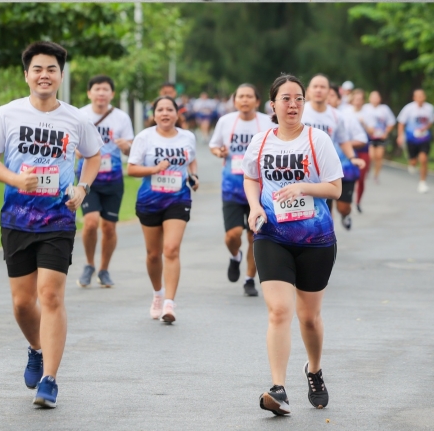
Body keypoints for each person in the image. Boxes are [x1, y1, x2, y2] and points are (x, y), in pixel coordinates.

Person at [0, 42, 102, 408]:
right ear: (26, 75)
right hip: (17, 219)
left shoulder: (76, 118)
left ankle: (49, 379)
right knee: (22, 303)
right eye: (38, 69)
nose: (44, 75)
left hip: (58, 218)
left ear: (61, 76)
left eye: (51, 69)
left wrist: (82, 187)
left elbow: (94, 156)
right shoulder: (8, 113)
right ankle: (36, 347)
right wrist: (16, 179)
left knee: (50, 295)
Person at [242, 74, 344, 416]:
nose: (293, 104)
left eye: (298, 98)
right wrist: (255, 206)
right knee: (279, 311)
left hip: (316, 239)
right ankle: (278, 389)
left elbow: (334, 188)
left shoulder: (317, 140)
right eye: (285, 99)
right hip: (272, 235)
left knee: (309, 318)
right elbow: (251, 177)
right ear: (272, 104)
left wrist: (304, 187)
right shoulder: (260, 142)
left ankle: (313, 370)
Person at [127, 97, 198, 324]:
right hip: (150, 200)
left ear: (177, 114)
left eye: (169, 109)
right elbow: (131, 169)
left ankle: (169, 302)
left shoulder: (187, 137)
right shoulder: (144, 137)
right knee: (153, 254)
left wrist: (194, 176)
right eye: (160, 110)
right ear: (154, 114)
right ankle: (158, 293)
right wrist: (155, 169)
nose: (165, 113)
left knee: (171, 249)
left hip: (178, 198)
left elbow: (191, 161)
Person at [209, 84, 270, 297]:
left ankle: (249, 279)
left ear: (257, 101)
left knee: (255, 236)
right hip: (232, 187)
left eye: (249, 96)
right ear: (234, 101)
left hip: (260, 189)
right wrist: (219, 152)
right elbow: (214, 145)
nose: (244, 100)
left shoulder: (267, 122)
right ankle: (235, 256)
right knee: (232, 235)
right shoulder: (225, 121)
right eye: (240, 96)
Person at [77, 75, 133, 288]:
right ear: (89, 93)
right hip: (87, 179)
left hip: (113, 179)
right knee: (91, 223)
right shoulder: (80, 115)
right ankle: (89, 264)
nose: (101, 93)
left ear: (112, 94)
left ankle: (104, 269)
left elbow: (130, 149)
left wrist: (126, 147)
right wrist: (76, 151)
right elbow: (70, 144)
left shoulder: (121, 118)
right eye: (97, 89)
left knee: (109, 227)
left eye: (105, 89)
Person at [302, 75, 366, 228]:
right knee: (322, 212)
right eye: (315, 86)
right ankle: (323, 237)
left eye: (322, 87)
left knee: (342, 207)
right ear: (308, 91)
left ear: (328, 91)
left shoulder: (336, 116)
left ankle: (344, 215)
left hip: (330, 168)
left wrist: (352, 157)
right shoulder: (300, 111)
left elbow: (343, 140)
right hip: (306, 168)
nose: (318, 90)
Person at [325, 84, 367, 228]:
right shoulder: (309, 117)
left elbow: (362, 139)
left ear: (339, 100)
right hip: (321, 172)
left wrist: (343, 143)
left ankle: (345, 215)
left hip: (345, 169)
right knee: (325, 211)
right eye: (326, 95)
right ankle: (327, 236)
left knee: (343, 207)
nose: (328, 98)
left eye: (332, 96)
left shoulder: (347, 118)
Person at [396, 89, 434, 193]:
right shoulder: (408, 108)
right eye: (418, 96)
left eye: (422, 96)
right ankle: (412, 163)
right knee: (413, 161)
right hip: (411, 139)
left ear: (425, 97)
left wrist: (425, 128)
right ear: (414, 98)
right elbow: (401, 122)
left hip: (424, 138)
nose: (420, 98)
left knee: (423, 159)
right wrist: (400, 136)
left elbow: (431, 121)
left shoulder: (429, 108)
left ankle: (422, 183)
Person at [359, 90, 395, 183]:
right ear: (370, 98)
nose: (375, 99)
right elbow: (360, 120)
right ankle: (367, 170)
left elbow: (391, 122)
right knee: (371, 156)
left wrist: (386, 133)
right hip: (369, 136)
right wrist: (367, 128)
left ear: (380, 99)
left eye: (376, 97)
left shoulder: (384, 109)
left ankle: (376, 175)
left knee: (379, 156)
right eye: (373, 97)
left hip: (380, 136)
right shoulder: (365, 108)